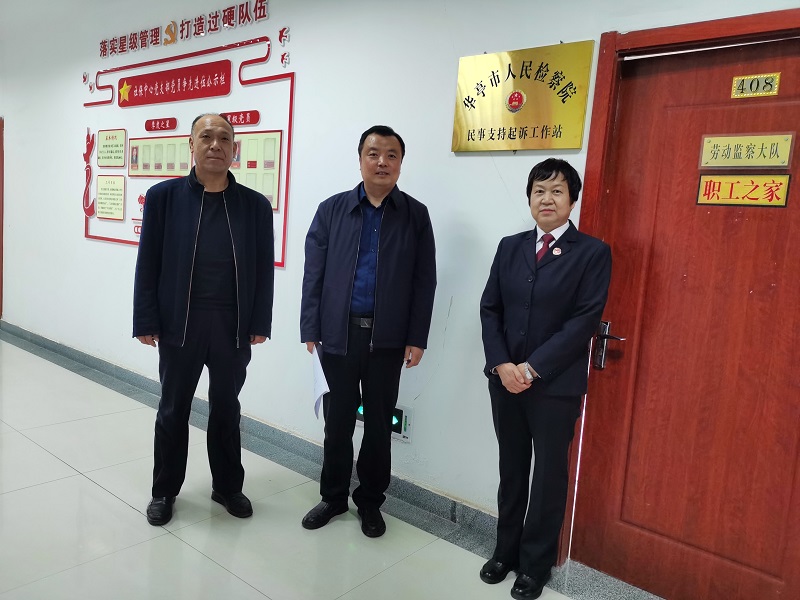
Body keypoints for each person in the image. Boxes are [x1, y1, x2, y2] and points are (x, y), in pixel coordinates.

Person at [133, 113, 274, 526]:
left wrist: (260, 321)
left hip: (232, 326)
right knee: (173, 409)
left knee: (227, 409)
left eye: (224, 138)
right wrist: (146, 319)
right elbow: (148, 263)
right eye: (206, 137)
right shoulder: (163, 198)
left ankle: (228, 486)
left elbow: (263, 268)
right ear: (191, 145)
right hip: (180, 324)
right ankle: (164, 491)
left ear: (234, 149)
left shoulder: (254, 206)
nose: (216, 144)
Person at [479, 158, 611, 600]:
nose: (547, 199)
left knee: (548, 476)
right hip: (505, 382)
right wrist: (502, 365)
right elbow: (491, 309)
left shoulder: (592, 252)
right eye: (539, 190)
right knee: (512, 469)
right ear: (529, 198)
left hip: (554, 387)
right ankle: (505, 552)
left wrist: (531, 368)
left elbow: (583, 322)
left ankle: (535, 566)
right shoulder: (509, 247)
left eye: (557, 191)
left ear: (572, 200)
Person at [300, 125, 436, 538]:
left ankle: (371, 501)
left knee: (378, 426)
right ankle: (333, 497)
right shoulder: (332, 210)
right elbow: (314, 273)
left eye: (391, 155)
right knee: (337, 422)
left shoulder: (415, 215)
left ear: (400, 163)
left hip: (388, 339)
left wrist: (417, 337)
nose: (382, 162)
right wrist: (310, 327)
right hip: (338, 336)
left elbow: (424, 281)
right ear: (360, 159)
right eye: (373, 153)